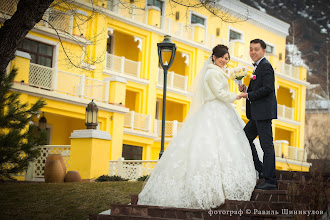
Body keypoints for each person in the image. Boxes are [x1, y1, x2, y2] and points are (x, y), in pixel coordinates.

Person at [137, 45, 257, 209]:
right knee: (212, 144)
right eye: (221, 57)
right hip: (215, 108)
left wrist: (238, 86)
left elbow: (222, 91)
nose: (224, 60)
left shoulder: (218, 72)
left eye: (227, 58)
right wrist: (238, 95)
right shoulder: (212, 72)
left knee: (224, 145)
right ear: (214, 56)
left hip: (221, 109)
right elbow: (219, 94)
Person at [238, 39, 278, 190]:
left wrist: (248, 95)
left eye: (256, 49)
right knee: (244, 138)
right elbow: (259, 87)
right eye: (251, 49)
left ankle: (270, 181)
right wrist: (246, 88)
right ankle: (260, 169)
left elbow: (268, 88)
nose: (253, 52)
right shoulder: (258, 67)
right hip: (256, 114)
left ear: (263, 51)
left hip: (263, 113)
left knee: (267, 146)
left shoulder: (266, 66)